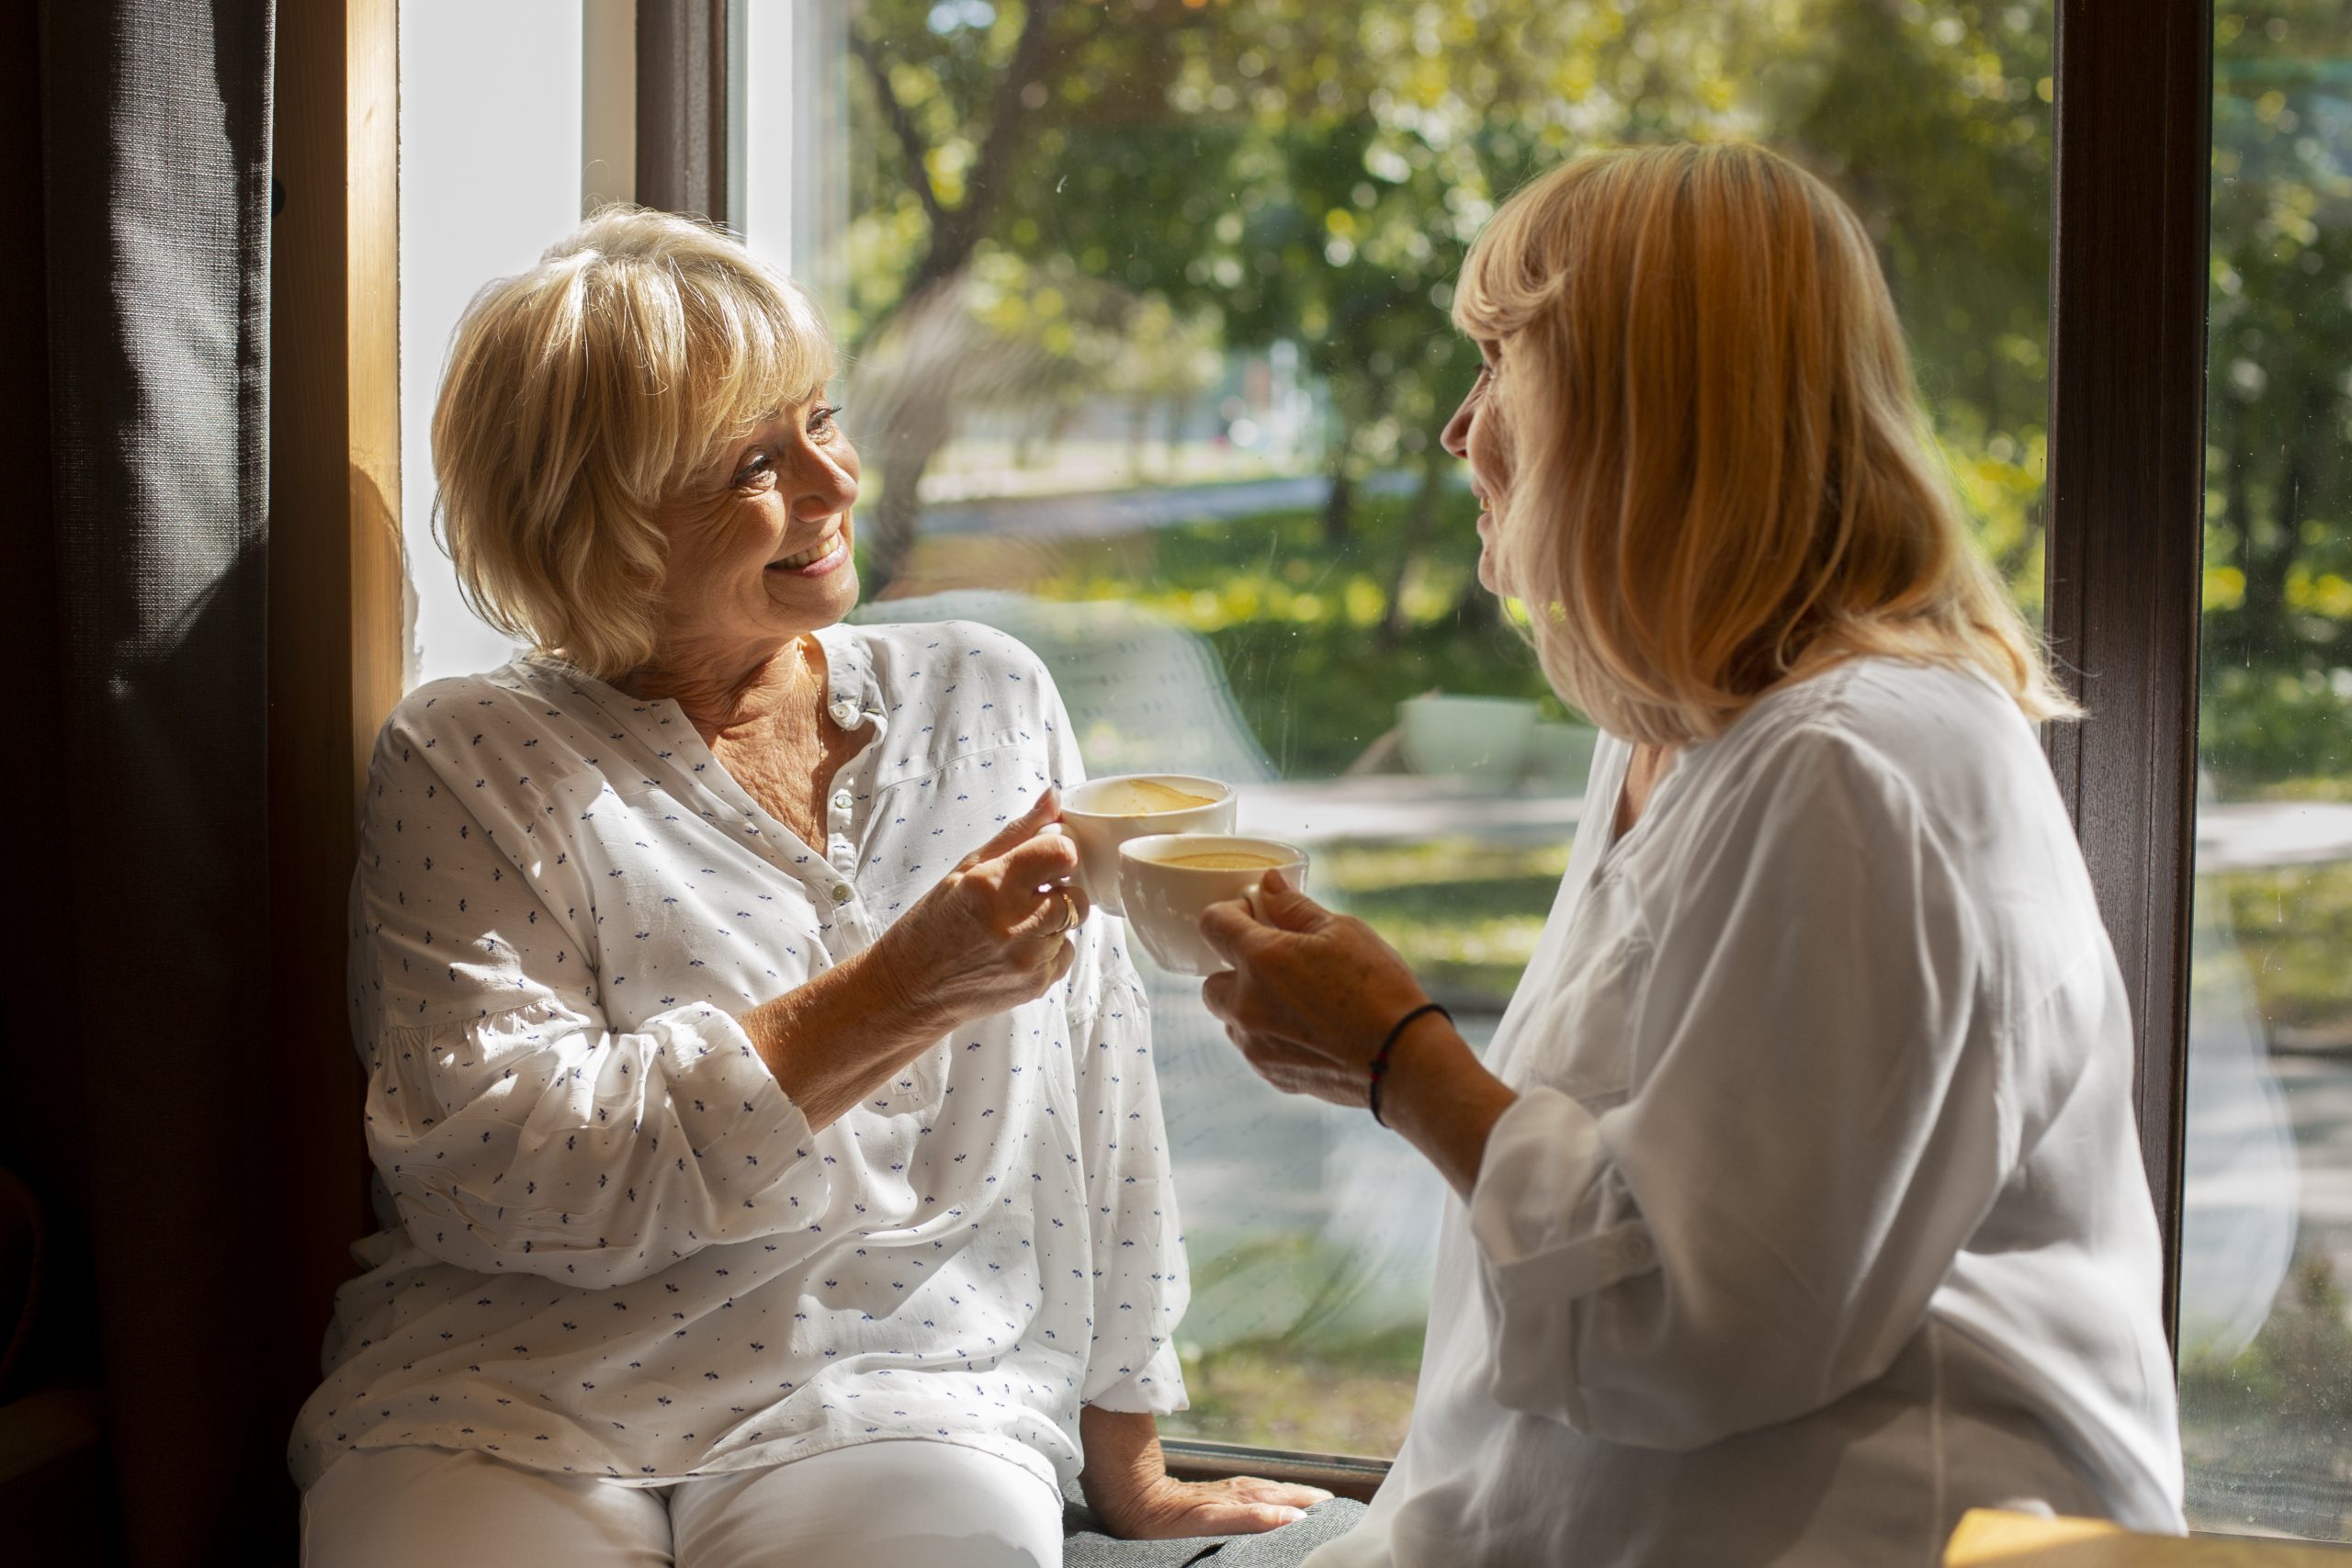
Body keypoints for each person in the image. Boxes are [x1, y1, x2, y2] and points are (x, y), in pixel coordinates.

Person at [289, 208, 1325, 1567]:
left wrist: (1132, 1459)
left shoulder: (988, 696)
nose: (836, 482)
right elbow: (499, 1171)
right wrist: (897, 994)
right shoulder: (470, 754)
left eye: (822, 419)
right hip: (506, 1396)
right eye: (755, 463)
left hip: (903, 1384)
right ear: (594, 519)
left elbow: (1099, 1090)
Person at [1199, 142, 2187, 1566]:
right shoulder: (1674, 733)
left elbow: (1711, 1325)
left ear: (1635, 409)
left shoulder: (1859, 767)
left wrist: (1401, 1061)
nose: (1458, 430)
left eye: (1498, 361)